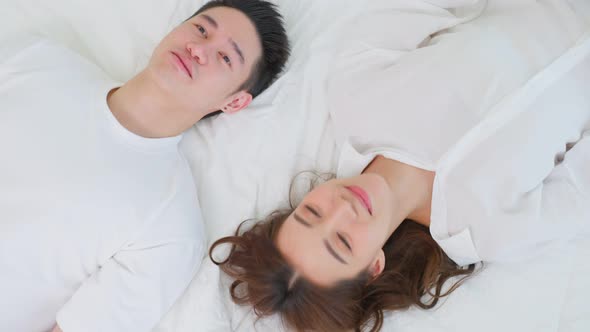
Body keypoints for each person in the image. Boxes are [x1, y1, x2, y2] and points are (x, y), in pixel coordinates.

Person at [209, 10, 590, 332]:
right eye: (343, 242)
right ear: (374, 265)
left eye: (312, 212)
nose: (342, 208)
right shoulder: (489, 231)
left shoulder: (356, 96)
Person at [0, 1, 289, 331]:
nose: (199, 49)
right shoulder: (41, 61)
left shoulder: (171, 227)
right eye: (201, 29)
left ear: (234, 101)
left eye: (225, 57)